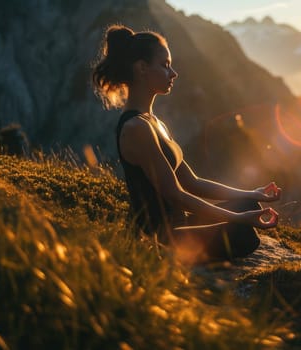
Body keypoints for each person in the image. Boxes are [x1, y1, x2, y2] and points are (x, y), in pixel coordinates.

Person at [91, 24, 280, 264]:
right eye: (165, 65)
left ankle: (244, 207)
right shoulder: (136, 128)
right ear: (141, 68)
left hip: (181, 227)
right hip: (160, 238)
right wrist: (237, 219)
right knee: (243, 234)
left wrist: (253, 193)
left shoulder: (154, 122)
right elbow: (176, 195)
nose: (173, 73)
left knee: (248, 203)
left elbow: (193, 183)